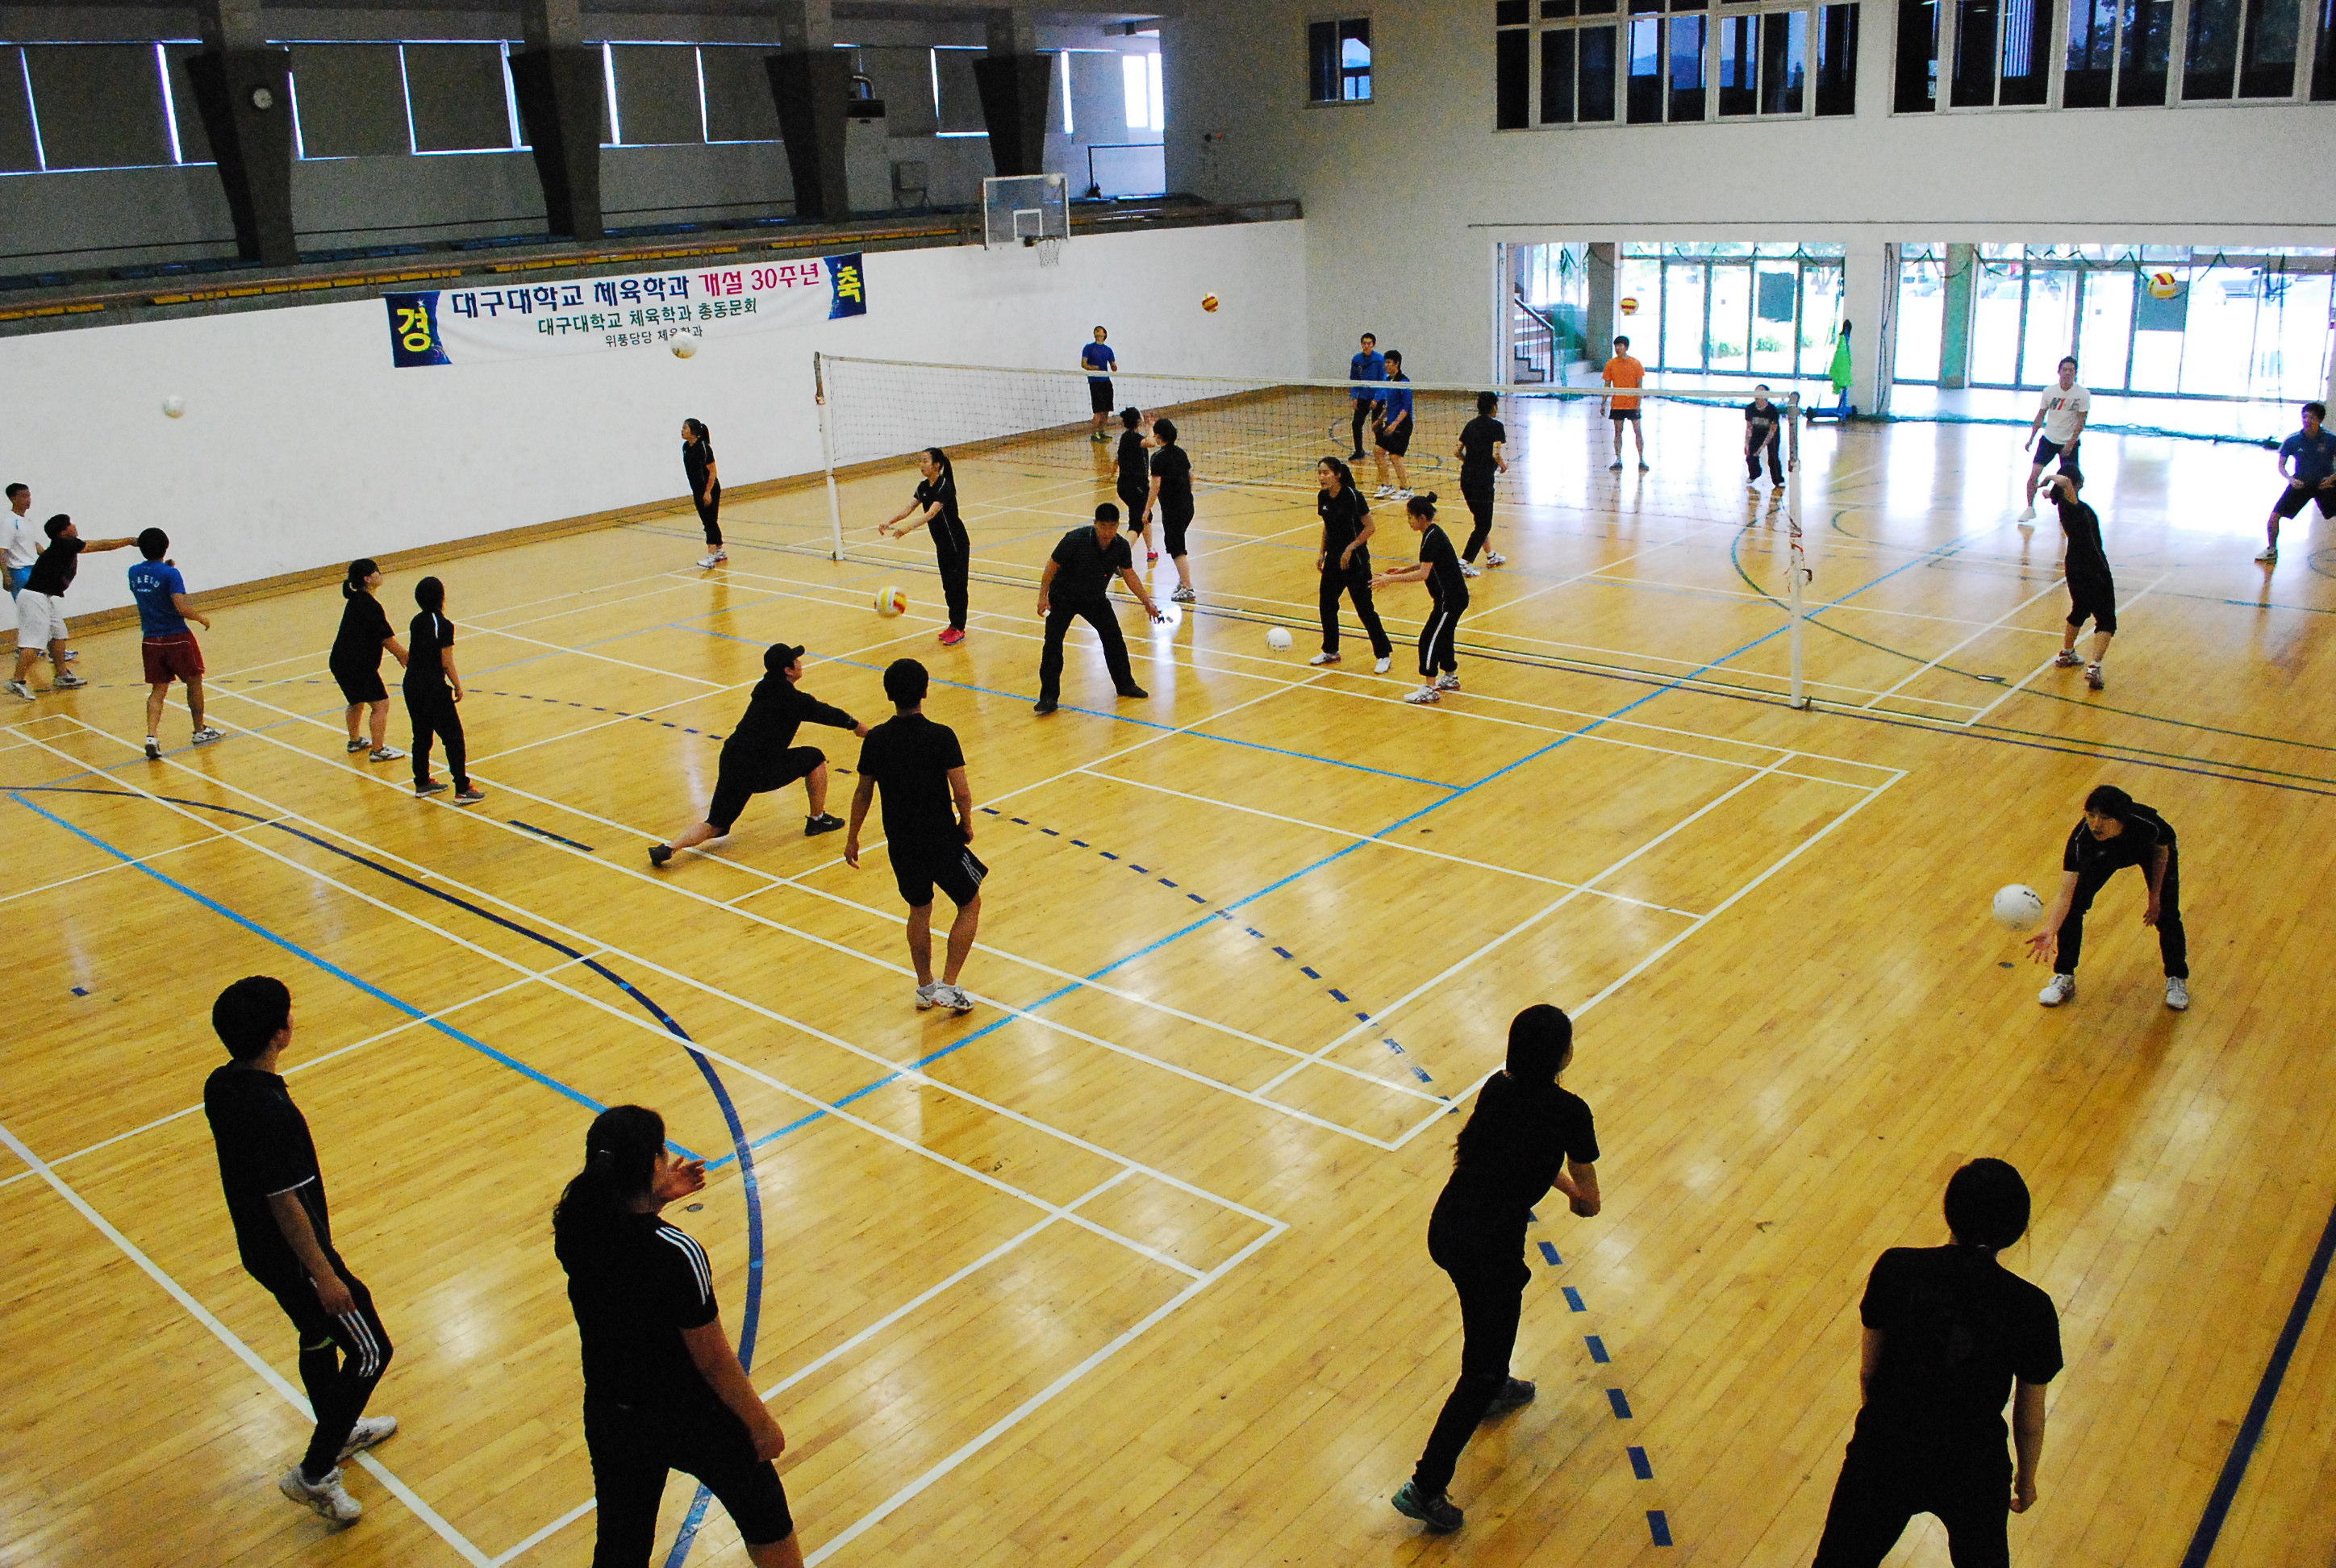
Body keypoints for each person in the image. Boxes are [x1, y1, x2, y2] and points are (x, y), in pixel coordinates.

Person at [554, 1104, 807, 1568]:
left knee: (621, 1546)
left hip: (614, 1415)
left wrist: (653, 1200)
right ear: (653, 1164)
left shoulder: (574, 1224)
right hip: (689, 1415)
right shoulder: (678, 1253)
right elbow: (712, 1361)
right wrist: (759, 1423)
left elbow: (625, 1242)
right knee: (767, 1518)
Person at [1391, 1005, 1600, 1535]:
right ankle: (1425, 1487)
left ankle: (1498, 1384)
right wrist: (1576, 1194)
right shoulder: (1570, 1111)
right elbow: (1589, 1203)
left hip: (1449, 1226)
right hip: (1489, 1248)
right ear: (1563, 1055)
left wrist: (1557, 1182)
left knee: (1491, 1320)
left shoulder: (1496, 1088)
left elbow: (1523, 1154)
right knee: (1478, 1369)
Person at [203, 976, 398, 1527]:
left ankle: (338, 1428)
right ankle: (314, 1473)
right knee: (371, 1351)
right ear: (279, 1034)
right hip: (298, 1257)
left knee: (316, 1336)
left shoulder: (221, 1085)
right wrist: (325, 1275)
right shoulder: (273, 1113)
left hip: (260, 1251)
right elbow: (285, 1203)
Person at [1808, 1159, 2061, 1568]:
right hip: (1972, 1465)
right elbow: (2029, 1417)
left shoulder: (1895, 1268)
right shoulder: (2032, 1308)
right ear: (2016, 1229)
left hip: (1886, 1450)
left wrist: (1881, 1431)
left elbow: (1870, 1371)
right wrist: (2026, 1480)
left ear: (1950, 1211)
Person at [845, 657, 984, 1015]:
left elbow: (863, 793)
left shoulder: (875, 740)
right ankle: (949, 986)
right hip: (941, 839)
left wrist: (853, 837)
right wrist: (966, 822)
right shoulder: (941, 736)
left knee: (919, 910)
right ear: (925, 691)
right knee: (970, 904)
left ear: (889, 695)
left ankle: (925, 987)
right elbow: (961, 791)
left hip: (901, 843)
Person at [651, 643, 868, 865]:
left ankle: (669, 847)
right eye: (796, 661)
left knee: (716, 825)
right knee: (814, 758)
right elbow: (826, 713)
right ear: (788, 670)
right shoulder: (793, 700)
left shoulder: (765, 687)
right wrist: (857, 726)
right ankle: (817, 819)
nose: (800, 663)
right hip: (760, 768)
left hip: (733, 759)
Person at [2025, 783, 2188, 1011]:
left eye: (2105, 817)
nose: (2095, 824)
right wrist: (2051, 930)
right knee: (2073, 909)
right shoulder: (2081, 841)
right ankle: (2065, 976)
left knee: (2167, 914)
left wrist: (2155, 897)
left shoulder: (2149, 825)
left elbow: (2161, 853)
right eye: (2091, 815)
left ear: (2122, 818)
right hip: (2102, 856)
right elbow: (2065, 894)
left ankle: (2176, 978)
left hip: (2147, 851)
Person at [1034, 503, 1162, 713]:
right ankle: (1048, 698)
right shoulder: (1074, 540)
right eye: (1103, 526)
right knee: (1053, 644)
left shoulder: (1121, 546)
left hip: (1094, 599)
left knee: (1114, 638)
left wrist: (1147, 602)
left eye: (1112, 526)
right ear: (1095, 524)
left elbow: (1129, 574)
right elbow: (1052, 566)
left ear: (1118, 526)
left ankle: (1125, 684)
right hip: (1063, 597)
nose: (1107, 532)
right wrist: (1043, 597)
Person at [6, 515, 134, 701]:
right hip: (34, 598)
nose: (74, 526)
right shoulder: (66, 544)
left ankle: (62, 675)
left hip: (44, 597)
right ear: (63, 532)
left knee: (59, 634)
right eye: (70, 525)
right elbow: (103, 545)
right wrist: (130, 541)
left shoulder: (63, 545)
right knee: (34, 643)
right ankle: (17, 681)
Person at [126, 528, 223, 759]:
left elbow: (152, 586)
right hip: (177, 637)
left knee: (158, 689)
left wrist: (164, 570)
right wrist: (200, 618)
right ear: (166, 546)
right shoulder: (171, 574)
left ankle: (152, 737)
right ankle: (200, 731)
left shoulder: (133, 572)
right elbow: (180, 606)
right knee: (194, 682)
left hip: (151, 639)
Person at [1370, 493, 1466, 704]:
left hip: (1449, 600)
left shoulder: (1432, 537)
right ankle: (1450, 677)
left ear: (1422, 517)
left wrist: (1390, 580)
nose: (1408, 521)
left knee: (1428, 639)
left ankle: (1430, 689)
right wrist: (1403, 569)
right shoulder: (1432, 533)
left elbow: (1423, 573)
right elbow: (1428, 563)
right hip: (1451, 598)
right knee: (1444, 635)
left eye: (1410, 517)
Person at [876, 448, 970, 645]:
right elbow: (909, 509)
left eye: (925, 461)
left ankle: (959, 628)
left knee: (958, 586)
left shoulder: (945, 486)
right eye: (921, 461)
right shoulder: (923, 487)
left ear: (937, 465)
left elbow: (931, 514)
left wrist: (907, 528)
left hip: (956, 543)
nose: (921, 465)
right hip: (942, 544)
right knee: (948, 586)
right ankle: (953, 625)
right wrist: (889, 521)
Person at [404, 576, 482, 803]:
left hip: (411, 685)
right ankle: (463, 788)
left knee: (421, 735)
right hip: (432, 688)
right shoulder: (443, 625)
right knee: (453, 738)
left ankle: (422, 782)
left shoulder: (416, 621)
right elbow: (446, 661)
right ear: (442, 597)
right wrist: (457, 685)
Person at [1311, 457, 1393, 672]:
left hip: (1356, 562)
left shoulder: (1353, 496)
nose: (1322, 477)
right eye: (1320, 473)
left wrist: (1351, 548)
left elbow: (1370, 527)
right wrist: (1321, 552)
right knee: (1327, 604)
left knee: (1365, 609)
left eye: (1326, 473)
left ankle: (1383, 654)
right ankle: (1331, 650)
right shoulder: (1323, 496)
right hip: (1333, 560)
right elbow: (1327, 526)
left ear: (1337, 475)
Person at [2042, 473, 2114, 692]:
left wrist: (2047, 492)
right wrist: (2048, 477)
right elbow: (2064, 482)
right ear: (2076, 484)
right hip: (2094, 567)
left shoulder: (2062, 506)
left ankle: (2067, 653)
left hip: (2073, 566)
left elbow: (2054, 492)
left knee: (2080, 608)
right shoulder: (2074, 506)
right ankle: (2095, 667)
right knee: (2106, 619)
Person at [332, 559, 409, 763]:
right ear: (367, 578)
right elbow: (386, 639)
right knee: (381, 704)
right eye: (376, 571)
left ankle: (355, 741)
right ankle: (378, 750)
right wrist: (405, 656)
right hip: (357, 665)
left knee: (356, 701)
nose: (380, 574)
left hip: (341, 662)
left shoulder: (357, 600)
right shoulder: (369, 605)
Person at [2256, 399, 2336, 563]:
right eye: (2305, 417)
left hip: (2326, 485)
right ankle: (2271, 550)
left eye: (2312, 418)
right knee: (2275, 516)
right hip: (2301, 484)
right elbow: (2281, 465)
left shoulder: (2331, 439)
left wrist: (2332, 478)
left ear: (2320, 420)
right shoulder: (2293, 440)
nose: (2307, 421)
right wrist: (2290, 479)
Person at [2018, 358, 2088, 523]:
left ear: (2075, 373)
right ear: (2059, 372)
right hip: (2049, 440)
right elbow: (2040, 415)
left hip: (2069, 442)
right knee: (2034, 474)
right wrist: (2031, 438)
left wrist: (2070, 443)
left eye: (2071, 370)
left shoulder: (2083, 394)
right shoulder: (2049, 392)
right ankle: (2030, 508)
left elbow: (2081, 421)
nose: (2067, 373)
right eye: (2065, 370)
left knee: (2072, 480)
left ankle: (2070, 510)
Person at [1454, 393, 1508, 576]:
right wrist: (1503, 466)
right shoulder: (1497, 426)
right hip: (1483, 481)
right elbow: (1496, 454)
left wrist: (1469, 462)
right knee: (1484, 524)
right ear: (1494, 407)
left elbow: (1457, 451)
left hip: (1466, 478)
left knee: (1480, 520)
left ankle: (1491, 556)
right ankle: (1465, 562)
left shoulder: (1471, 425)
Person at [1146, 418, 1198, 603]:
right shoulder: (1180, 453)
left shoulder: (1158, 458)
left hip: (1173, 509)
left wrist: (1147, 509)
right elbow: (1191, 478)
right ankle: (1183, 580)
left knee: (1176, 548)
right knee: (1176, 542)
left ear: (1159, 437)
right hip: (1188, 506)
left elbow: (1155, 486)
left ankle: (1188, 588)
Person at [1371, 350, 1415, 500]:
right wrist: (1379, 420)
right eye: (1385, 362)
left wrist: (1395, 424)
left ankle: (1406, 488)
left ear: (1397, 364)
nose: (1386, 365)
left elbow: (1405, 408)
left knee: (1395, 456)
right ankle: (1387, 485)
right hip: (1390, 422)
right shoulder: (1389, 381)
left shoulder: (1404, 382)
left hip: (1403, 425)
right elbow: (1390, 406)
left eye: (1389, 362)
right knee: (1378, 451)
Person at [1114, 408, 1156, 563]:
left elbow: (1117, 458)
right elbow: (1151, 442)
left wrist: (1113, 469)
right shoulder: (1134, 438)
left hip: (1126, 486)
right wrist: (1151, 427)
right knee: (1136, 524)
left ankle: (1151, 550)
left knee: (1145, 516)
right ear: (1139, 421)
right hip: (1135, 487)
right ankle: (1119, 558)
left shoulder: (1125, 437)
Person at [683, 419, 724, 568]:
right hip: (697, 489)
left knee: (709, 522)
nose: (682, 430)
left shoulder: (704, 448)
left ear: (693, 431)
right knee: (709, 520)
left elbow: (712, 472)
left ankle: (711, 556)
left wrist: (708, 492)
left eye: (685, 428)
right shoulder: (686, 447)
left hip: (710, 489)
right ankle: (719, 551)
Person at [1604, 336, 1648, 472]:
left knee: (1638, 432)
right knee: (1618, 432)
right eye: (1616, 346)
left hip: (1632, 404)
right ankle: (1618, 460)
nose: (1617, 348)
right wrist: (1603, 403)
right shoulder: (1611, 364)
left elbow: (1640, 385)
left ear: (1626, 347)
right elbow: (1607, 385)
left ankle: (1641, 460)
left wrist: (1638, 404)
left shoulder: (1636, 363)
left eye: (1620, 346)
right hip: (1617, 404)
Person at [1348, 332, 1386, 461]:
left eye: (1369, 343)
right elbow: (1354, 379)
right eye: (1364, 343)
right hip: (1363, 397)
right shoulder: (1356, 360)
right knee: (1356, 424)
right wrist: (1354, 397)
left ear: (1373, 345)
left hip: (1377, 398)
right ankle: (1359, 451)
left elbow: (1383, 380)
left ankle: (1380, 451)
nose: (1366, 346)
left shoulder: (1380, 359)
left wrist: (1376, 399)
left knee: (1377, 425)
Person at [1081, 326, 1117, 442]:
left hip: (1106, 382)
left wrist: (1114, 367)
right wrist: (1093, 368)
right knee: (1098, 411)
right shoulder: (1088, 348)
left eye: (1100, 330)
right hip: (1095, 382)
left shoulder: (1108, 350)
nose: (1097, 331)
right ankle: (1095, 434)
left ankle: (1102, 432)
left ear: (1104, 334)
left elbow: (1113, 365)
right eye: (1096, 330)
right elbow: (1083, 364)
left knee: (1106, 410)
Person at [1746, 384, 1785, 488]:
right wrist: (1747, 444)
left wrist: (1761, 449)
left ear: (1766, 396)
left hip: (1771, 433)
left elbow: (1772, 431)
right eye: (1756, 391)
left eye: (1761, 392)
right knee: (1750, 455)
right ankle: (1754, 474)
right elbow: (1749, 427)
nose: (1757, 395)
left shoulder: (1772, 410)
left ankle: (1778, 480)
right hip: (1757, 432)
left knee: (1773, 457)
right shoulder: (1750, 408)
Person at [2, 482, 37, 599]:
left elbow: (33, 545)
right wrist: (6, 576)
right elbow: (1, 550)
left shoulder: (27, 521)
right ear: (13, 499)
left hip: (33, 569)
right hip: (19, 572)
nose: (28, 500)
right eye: (23, 496)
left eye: (29, 496)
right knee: (27, 606)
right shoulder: (9, 521)